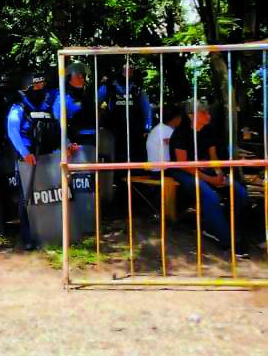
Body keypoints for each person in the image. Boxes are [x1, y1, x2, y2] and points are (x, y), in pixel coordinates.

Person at [168, 98, 251, 251]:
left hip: (205, 168)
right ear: (191, 115)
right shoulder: (180, 133)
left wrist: (219, 173)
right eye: (204, 112)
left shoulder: (208, 130)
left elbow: (213, 156)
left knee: (240, 193)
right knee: (210, 196)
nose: (208, 116)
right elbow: (184, 164)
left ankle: (216, 226)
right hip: (182, 170)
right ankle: (228, 241)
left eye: (208, 112)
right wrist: (211, 180)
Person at [6, 72, 60, 249]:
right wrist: (24, 153)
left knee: (46, 195)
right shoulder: (19, 106)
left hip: (46, 156)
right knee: (26, 197)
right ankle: (28, 237)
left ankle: (47, 233)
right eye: (37, 86)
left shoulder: (48, 105)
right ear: (28, 88)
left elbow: (58, 127)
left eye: (43, 85)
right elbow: (13, 131)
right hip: (27, 157)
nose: (41, 88)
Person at [99, 63, 152, 162]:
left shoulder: (137, 86)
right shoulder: (109, 85)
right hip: (114, 129)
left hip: (135, 129)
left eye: (131, 69)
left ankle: (134, 174)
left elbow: (146, 107)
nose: (128, 71)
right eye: (125, 69)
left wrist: (147, 127)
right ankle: (117, 175)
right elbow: (95, 101)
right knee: (116, 156)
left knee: (135, 156)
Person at [146, 104, 183, 171]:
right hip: (162, 170)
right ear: (175, 118)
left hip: (155, 169)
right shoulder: (168, 131)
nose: (181, 120)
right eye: (180, 117)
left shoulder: (159, 128)